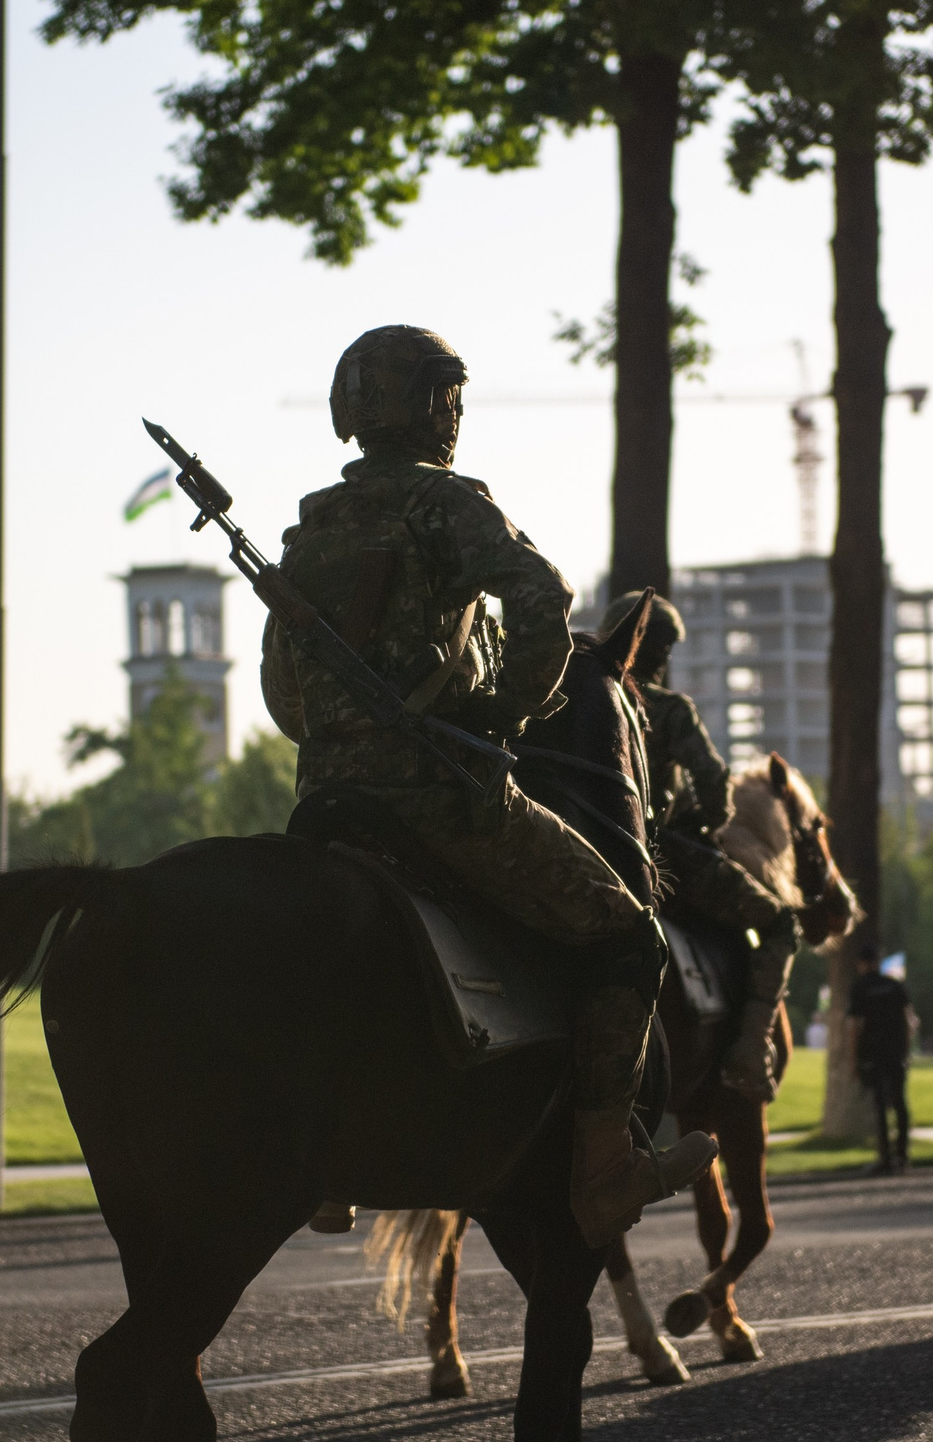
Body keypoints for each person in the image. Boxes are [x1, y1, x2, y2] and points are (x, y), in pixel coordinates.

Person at [260, 326, 718, 1248]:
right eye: (449, 396)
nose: (456, 414)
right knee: (629, 934)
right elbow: (544, 597)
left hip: (325, 806)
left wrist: (343, 737)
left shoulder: (310, 528)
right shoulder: (446, 504)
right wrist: (506, 712)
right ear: (422, 404)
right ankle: (603, 1164)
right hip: (443, 800)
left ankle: (319, 1157)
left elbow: (282, 691)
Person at [598, 590, 804, 1100]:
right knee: (780, 922)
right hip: (666, 858)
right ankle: (749, 1052)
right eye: (665, 649)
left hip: (589, 853)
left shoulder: (577, 697)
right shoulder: (669, 710)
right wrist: (708, 825)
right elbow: (713, 782)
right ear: (655, 649)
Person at [846, 943, 913, 1175]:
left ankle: (885, 1158)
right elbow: (908, 1020)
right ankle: (902, 1155)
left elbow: (855, 1026)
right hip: (896, 1051)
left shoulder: (860, 987)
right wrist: (906, 1049)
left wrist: (853, 1059)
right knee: (900, 1103)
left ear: (861, 964)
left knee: (879, 1105)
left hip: (873, 1052)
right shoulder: (894, 985)